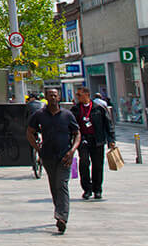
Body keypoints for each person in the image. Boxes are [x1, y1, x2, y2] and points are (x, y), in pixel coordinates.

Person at [26, 88, 80, 234]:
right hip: (48, 155)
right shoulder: (39, 115)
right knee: (54, 185)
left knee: (61, 184)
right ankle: (60, 212)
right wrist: (37, 148)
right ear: (46, 97)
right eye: (50, 95)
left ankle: (62, 217)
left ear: (59, 97)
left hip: (65, 156)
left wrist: (72, 150)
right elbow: (30, 132)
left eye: (55, 95)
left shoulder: (67, 115)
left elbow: (77, 133)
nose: (53, 97)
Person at [69, 87, 115, 200]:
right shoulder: (75, 109)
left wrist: (111, 140)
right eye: (77, 95)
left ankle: (97, 189)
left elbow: (108, 124)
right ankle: (87, 189)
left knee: (97, 165)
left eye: (79, 95)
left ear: (87, 95)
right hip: (83, 139)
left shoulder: (99, 108)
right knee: (84, 163)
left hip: (97, 139)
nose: (77, 97)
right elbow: (70, 126)